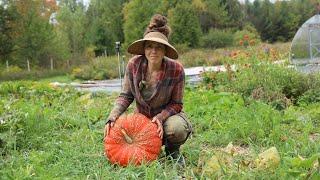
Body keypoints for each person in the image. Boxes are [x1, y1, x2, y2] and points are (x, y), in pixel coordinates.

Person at [104, 14, 192, 167]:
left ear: (165, 50)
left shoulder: (176, 69)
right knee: (119, 131)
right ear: (144, 49)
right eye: (149, 46)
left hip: (167, 118)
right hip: (141, 121)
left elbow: (176, 104)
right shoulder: (134, 65)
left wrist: (160, 117)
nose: (154, 51)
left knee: (177, 129)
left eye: (159, 47)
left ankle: (173, 151)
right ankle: (147, 150)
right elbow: (126, 96)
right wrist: (113, 116)